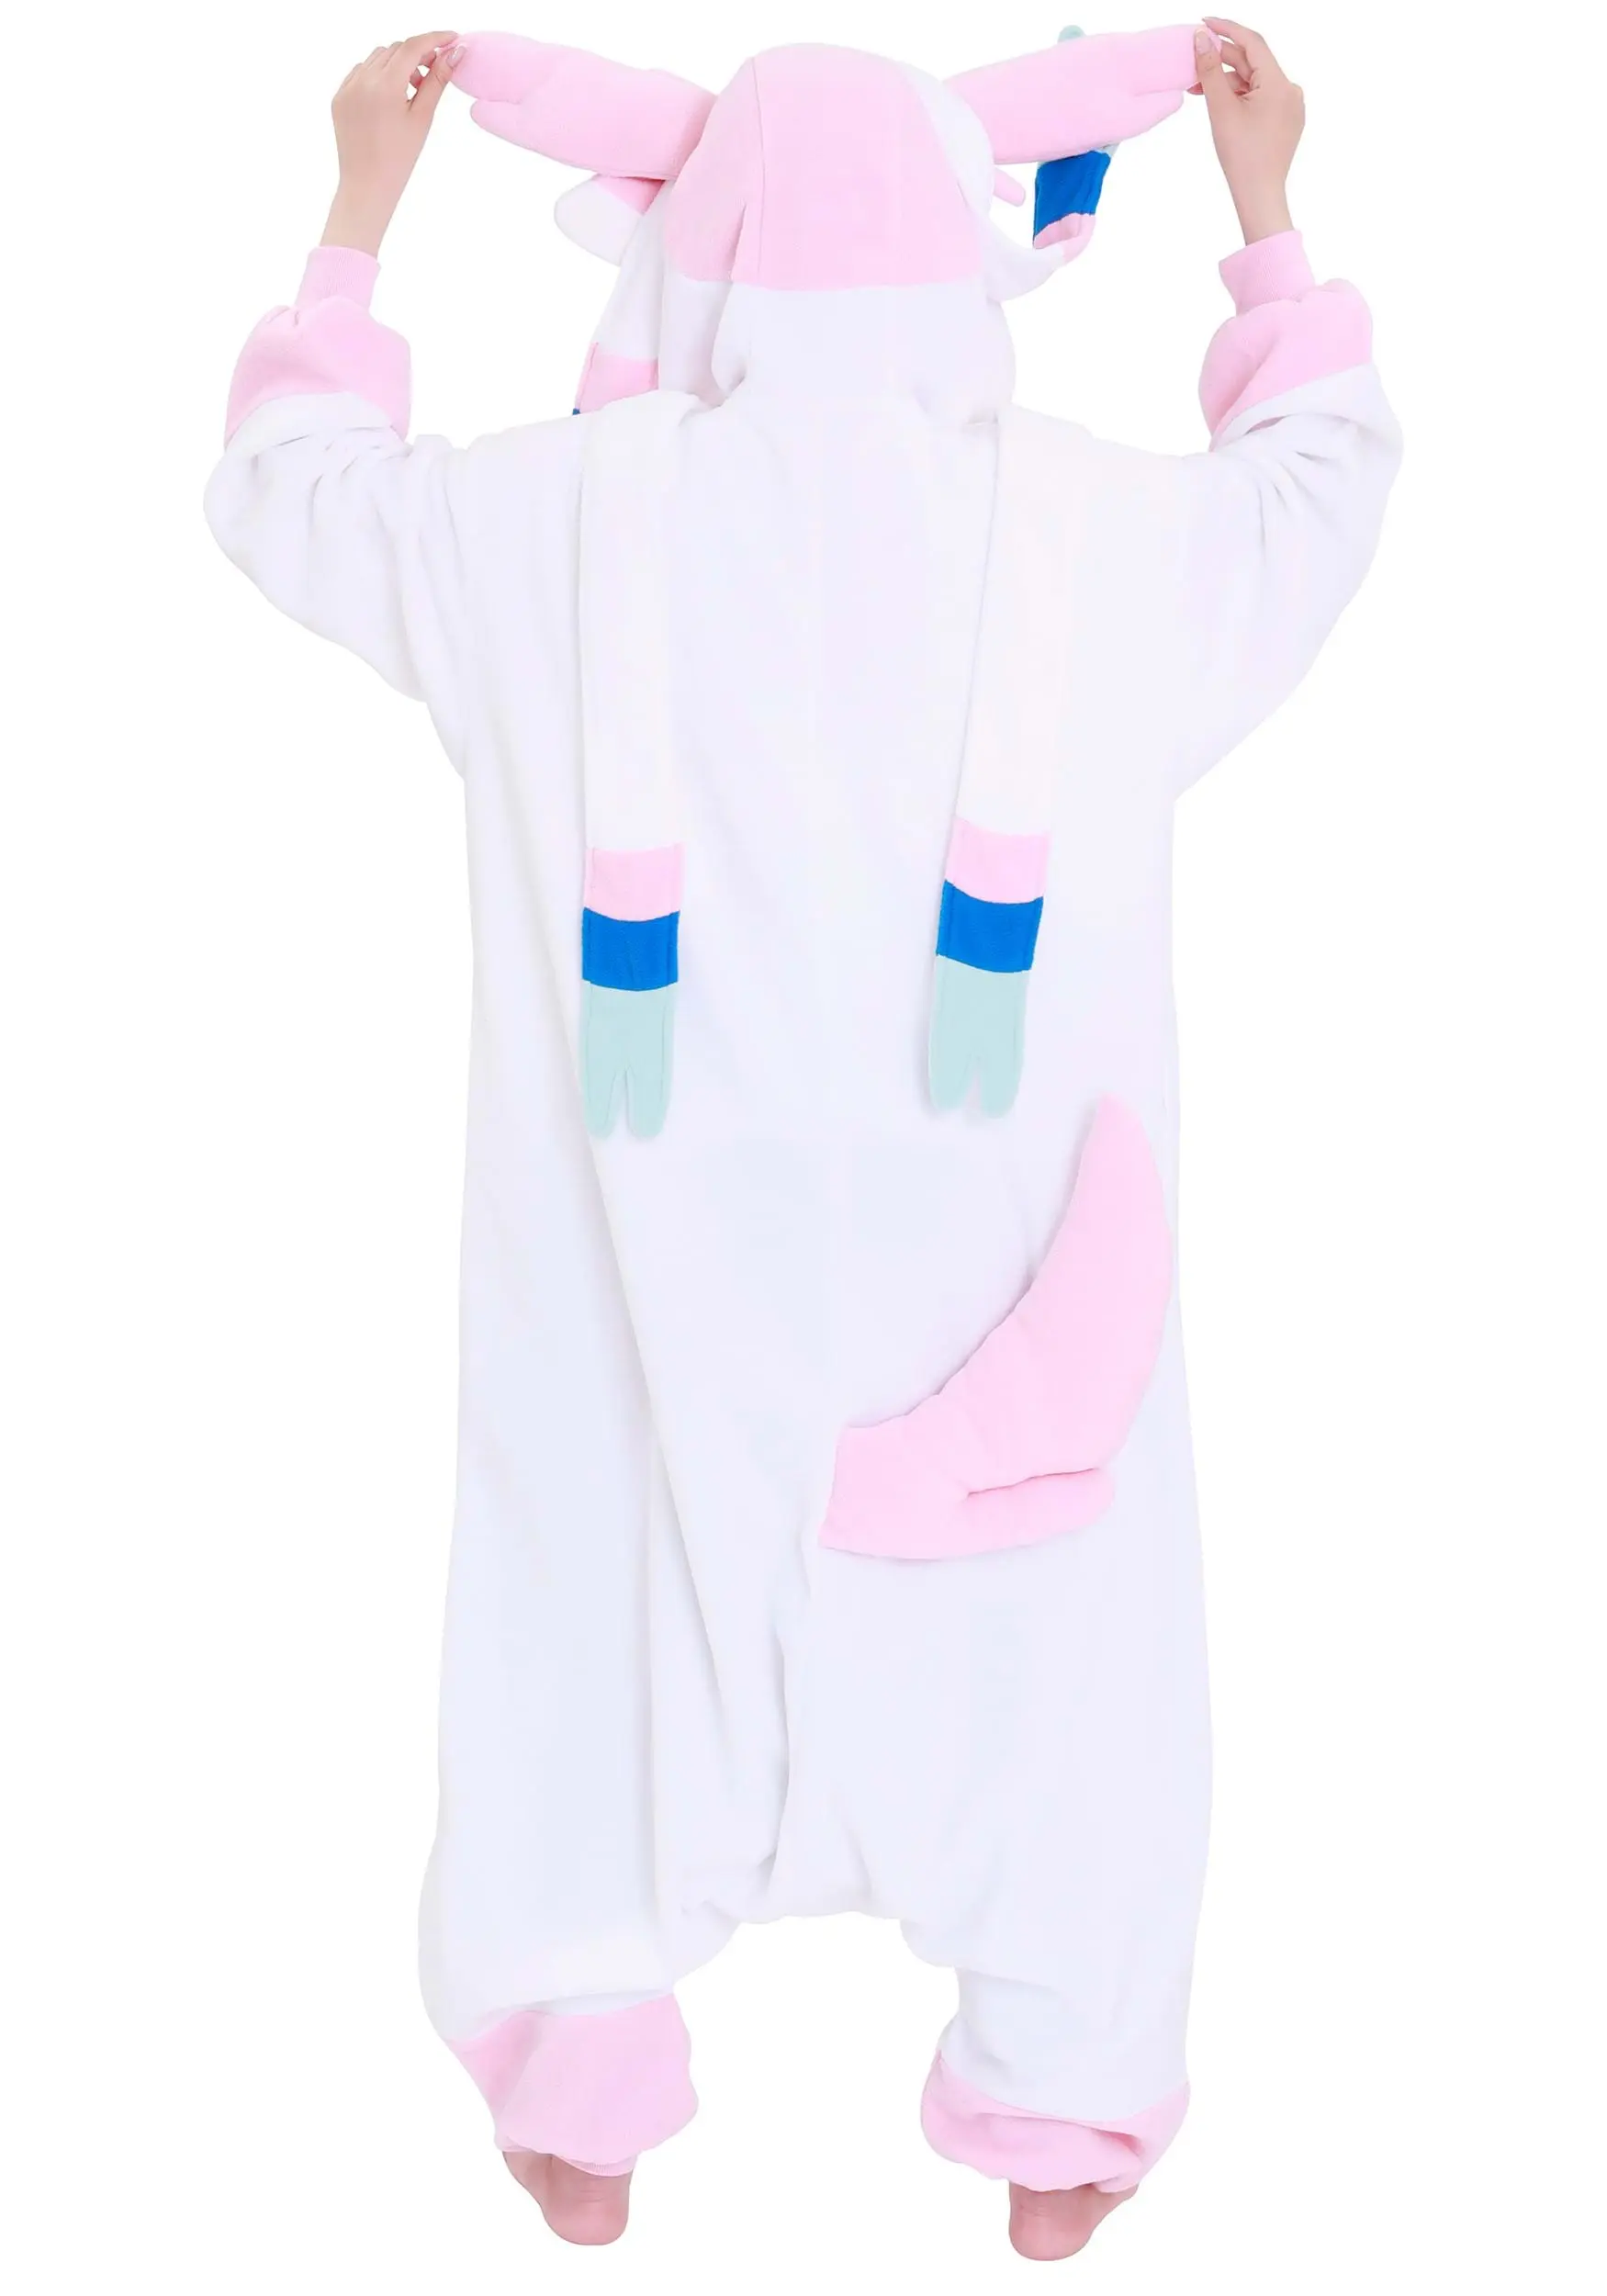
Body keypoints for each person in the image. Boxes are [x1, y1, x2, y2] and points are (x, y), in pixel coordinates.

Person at [206, 20, 1399, 2261]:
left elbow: (297, 495)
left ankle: (579, 2053)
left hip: (649, 1285)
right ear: (971, 268)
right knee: (1064, 1657)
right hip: (1006, 1296)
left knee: (587, 1602)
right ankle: (1065, 2089)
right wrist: (1265, 218)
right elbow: (1316, 492)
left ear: (676, 267)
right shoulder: (1099, 531)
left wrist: (361, 211)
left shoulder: (555, 527)